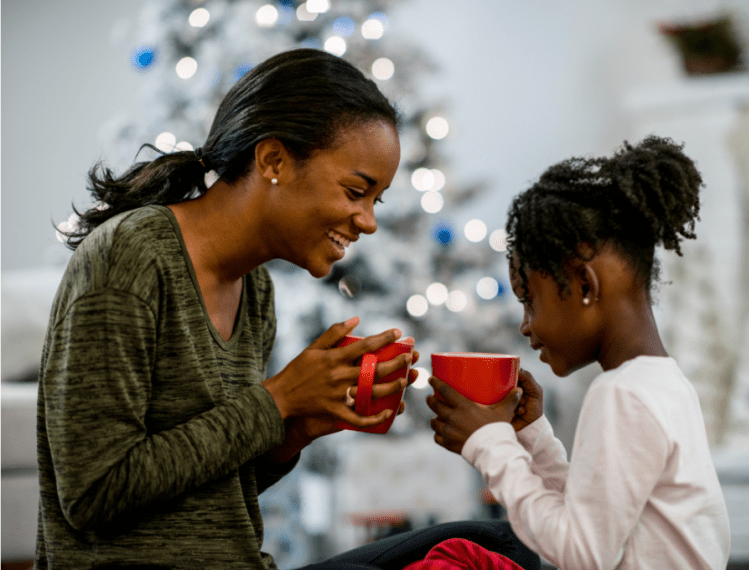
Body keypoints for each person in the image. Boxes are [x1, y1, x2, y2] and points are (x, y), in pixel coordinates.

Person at [37, 48, 538, 570]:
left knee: (498, 543)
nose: (367, 222)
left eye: (376, 201)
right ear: (273, 160)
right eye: (355, 191)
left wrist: (299, 427)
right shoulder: (131, 256)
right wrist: (277, 400)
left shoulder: (255, 290)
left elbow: (213, 491)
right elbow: (93, 494)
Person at [426, 136, 731, 570]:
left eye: (530, 299)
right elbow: (597, 519)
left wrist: (490, 445)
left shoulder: (621, 394)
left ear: (585, 285)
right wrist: (533, 439)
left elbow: (582, 554)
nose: (525, 325)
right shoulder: (662, 384)